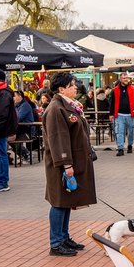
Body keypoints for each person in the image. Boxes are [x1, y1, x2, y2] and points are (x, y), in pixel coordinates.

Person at [43, 71, 97, 256]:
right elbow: (58, 138)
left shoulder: (68, 106)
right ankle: (56, 243)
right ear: (62, 89)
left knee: (66, 201)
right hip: (61, 164)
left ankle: (63, 237)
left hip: (72, 161)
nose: (76, 87)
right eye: (72, 84)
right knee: (59, 201)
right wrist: (66, 164)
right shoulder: (56, 109)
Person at [109, 72, 134, 157]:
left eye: (127, 78)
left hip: (130, 114)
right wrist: (111, 114)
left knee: (131, 132)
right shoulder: (115, 90)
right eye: (124, 78)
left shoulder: (133, 89)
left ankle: (130, 145)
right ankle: (120, 148)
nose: (126, 79)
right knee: (120, 132)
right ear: (120, 79)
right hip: (119, 115)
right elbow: (112, 103)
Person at [14, 90, 35, 161]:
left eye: (14, 96)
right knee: (8, 136)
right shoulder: (16, 105)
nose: (13, 98)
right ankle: (23, 153)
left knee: (9, 136)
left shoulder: (25, 105)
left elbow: (19, 118)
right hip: (19, 127)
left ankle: (25, 152)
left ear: (20, 96)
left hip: (27, 128)